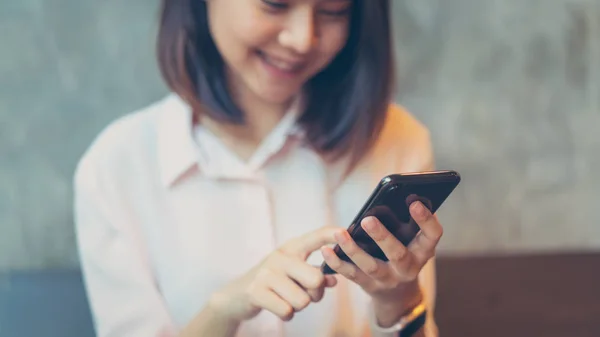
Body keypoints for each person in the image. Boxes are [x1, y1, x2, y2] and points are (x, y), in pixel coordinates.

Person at [73, 0, 443, 336]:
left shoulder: (396, 141)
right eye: (275, 4)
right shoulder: (115, 168)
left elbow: (412, 318)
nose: (302, 39)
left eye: (333, 11)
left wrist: (399, 302)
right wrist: (224, 310)